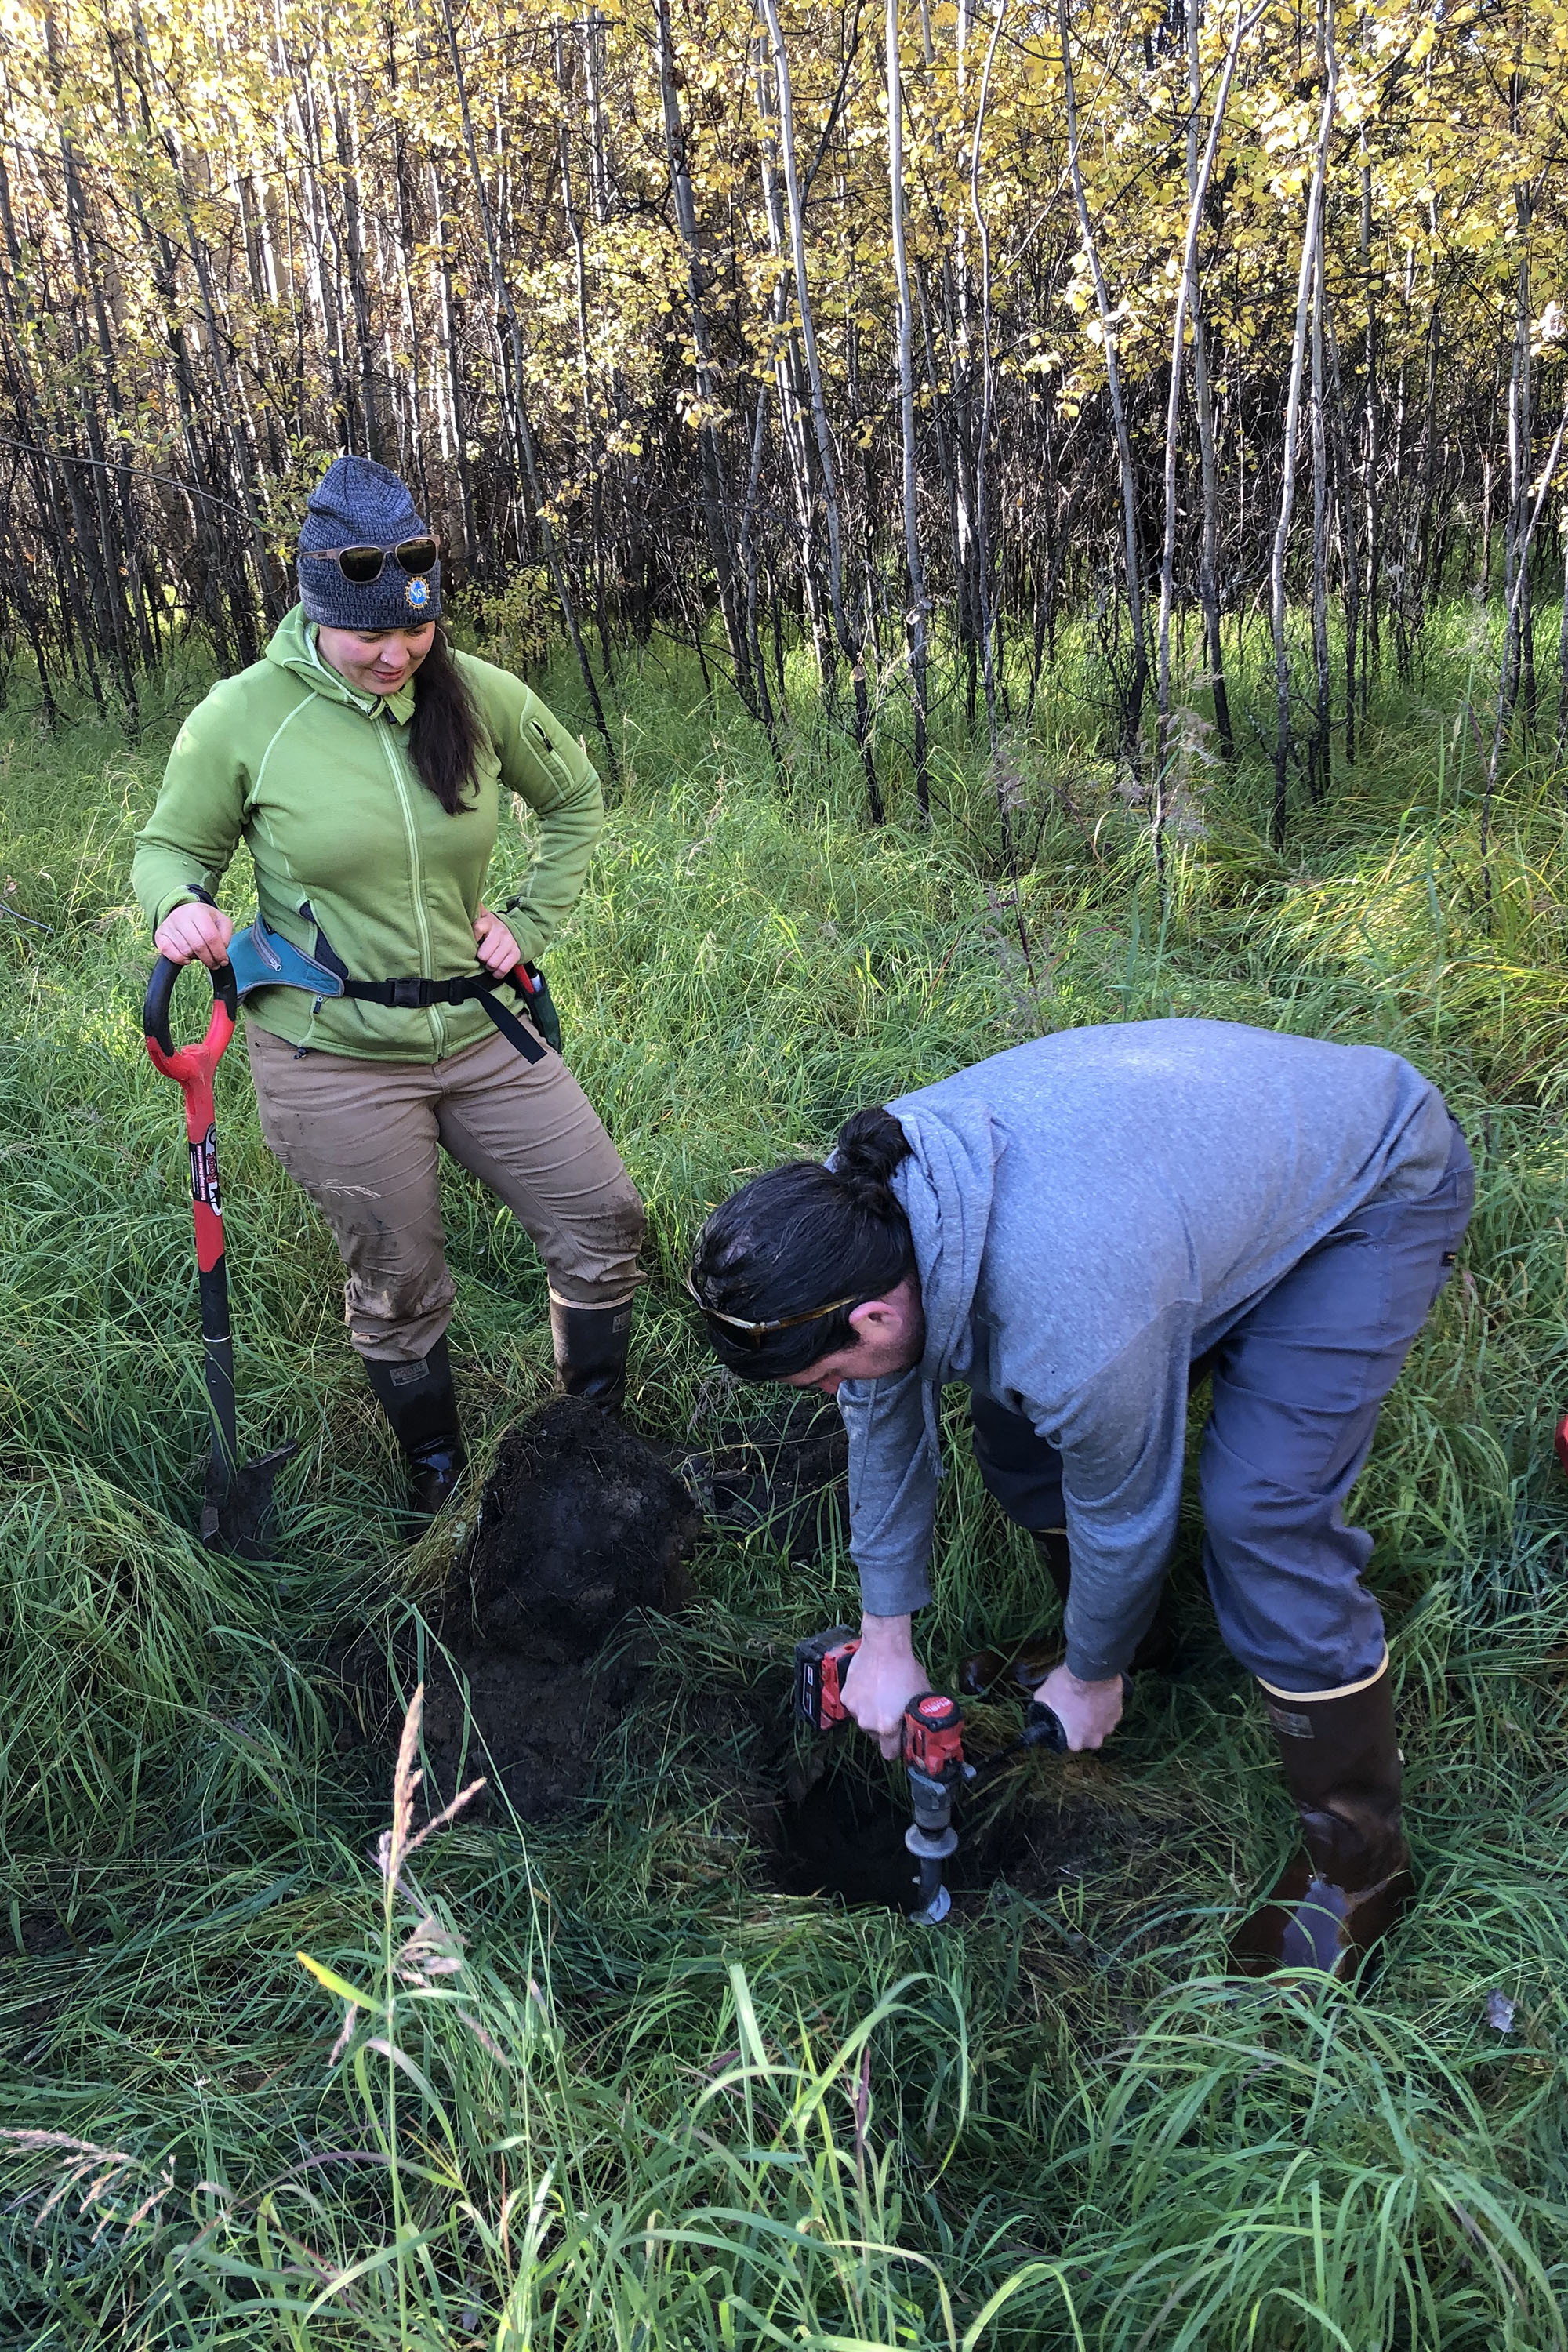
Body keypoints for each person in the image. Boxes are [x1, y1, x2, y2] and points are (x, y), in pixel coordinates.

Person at [688, 1018, 1473, 1977]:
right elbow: (882, 1414)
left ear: (875, 1315)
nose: (832, 1395)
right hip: (1178, 1205)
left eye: (823, 1376)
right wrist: (884, 1637)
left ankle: (1357, 1867)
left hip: (1367, 1192)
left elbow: (1124, 1510)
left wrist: (1089, 1677)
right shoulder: (842, 1223)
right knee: (1017, 1437)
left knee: (1261, 1516)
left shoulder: (1071, 1317)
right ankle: (1135, 1641)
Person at [133, 455, 644, 1514]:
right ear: (317, 610)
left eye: (414, 631)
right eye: (369, 634)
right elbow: (169, 847)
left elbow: (576, 799)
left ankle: (589, 1443)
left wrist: (528, 922)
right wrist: (179, 904)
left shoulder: (474, 692)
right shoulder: (244, 716)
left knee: (603, 1219)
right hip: (332, 1056)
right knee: (400, 1279)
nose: (396, 654)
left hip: (479, 1029)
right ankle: (438, 1480)